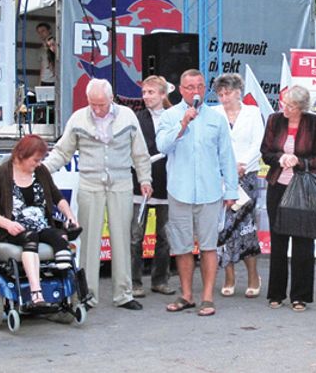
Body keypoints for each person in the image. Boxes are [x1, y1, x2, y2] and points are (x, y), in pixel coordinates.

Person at [44, 78, 152, 311]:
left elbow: (140, 153)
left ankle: (124, 294)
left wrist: (145, 179)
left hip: (121, 183)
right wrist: (42, 170)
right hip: (90, 183)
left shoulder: (128, 117)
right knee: (89, 240)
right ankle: (88, 294)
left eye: (101, 104)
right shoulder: (78, 118)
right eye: (93, 104)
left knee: (121, 238)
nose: (97, 109)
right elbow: (62, 152)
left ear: (111, 99)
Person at [156, 69, 238, 317]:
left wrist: (231, 189)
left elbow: (226, 156)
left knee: (208, 246)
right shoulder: (170, 116)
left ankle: (207, 297)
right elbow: (162, 146)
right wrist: (183, 124)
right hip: (179, 191)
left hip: (210, 192)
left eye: (200, 86)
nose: (195, 92)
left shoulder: (216, 118)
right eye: (190, 87)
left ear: (205, 89)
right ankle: (186, 295)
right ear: (181, 90)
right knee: (181, 247)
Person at [0, 135, 77, 306]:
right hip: (13, 228)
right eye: (35, 160)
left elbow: (57, 197)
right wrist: (8, 224)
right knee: (31, 236)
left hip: (41, 225)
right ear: (21, 156)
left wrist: (70, 215)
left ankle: (66, 276)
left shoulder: (41, 172)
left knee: (59, 236)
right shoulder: (1, 174)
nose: (39, 164)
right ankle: (36, 292)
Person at [260, 85, 316, 312]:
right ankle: (276, 293)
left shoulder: (314, 123)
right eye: (284, 104)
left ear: (301, 108)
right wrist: (281, 158)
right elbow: (266, 152)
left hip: (303, 188)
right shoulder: (274, 120)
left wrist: (300, 161)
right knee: (278, 242)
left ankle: (300, 296)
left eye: (290, 106)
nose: (285, 108)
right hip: (277, 186)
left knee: (303, 243)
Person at [213, 73, 263, 298]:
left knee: (246, 227)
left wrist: (243, 164)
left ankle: (253, 275)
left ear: (237, 92)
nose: (224, 98)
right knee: (223, 229)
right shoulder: (213, 113)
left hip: (247, 175)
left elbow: (258, 142)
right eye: (220, 94)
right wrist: (225, 168)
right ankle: (229, 276)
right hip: (221, 178)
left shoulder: (252, 112)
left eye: (228, 93)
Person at [130, 75, 176, 298]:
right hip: (140, 183)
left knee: (165, 235)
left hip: (167, 182)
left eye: (150, 92)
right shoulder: (136, 118)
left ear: (162, 94)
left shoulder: (174, 117)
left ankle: (160, 280)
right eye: (144, 92)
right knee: (135, 235)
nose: (146, 96)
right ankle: (134, 282)